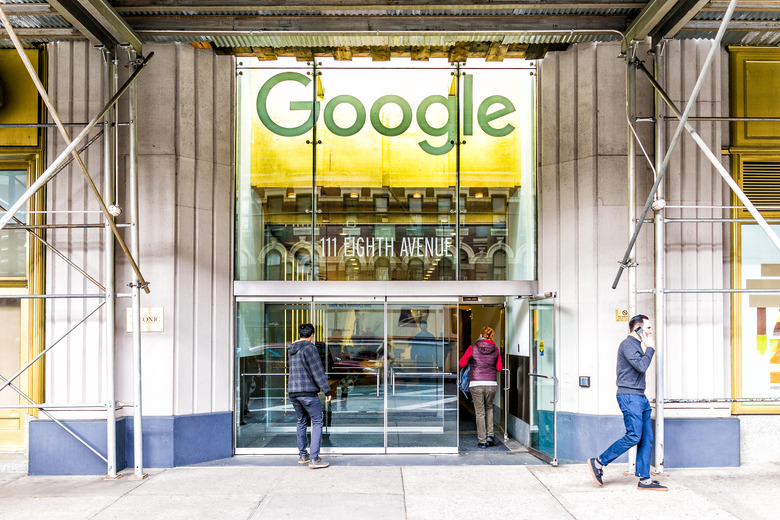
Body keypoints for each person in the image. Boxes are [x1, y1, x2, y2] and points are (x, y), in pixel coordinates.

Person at [588, 314, 668, 491]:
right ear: (637, 329)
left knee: (646, 438)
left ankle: (644, 480)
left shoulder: (636, 345)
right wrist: (651, 348)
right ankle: (599, 462)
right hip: (629, 397)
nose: (651, 331)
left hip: (640, 397)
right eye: (648, 328)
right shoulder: (627, 345)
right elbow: (641, 366)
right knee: (634, 436)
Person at [288, 323, 331, 469]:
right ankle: (314, 459)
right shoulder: (310, 348)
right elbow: (317, 371)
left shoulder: (291, 349)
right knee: (317, 422)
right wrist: (327, 391)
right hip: (307, 392)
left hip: (293, 392)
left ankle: (302, 455)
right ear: (312, 335)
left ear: (299, 334)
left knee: (301, 421)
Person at [459, 326, 502, 448]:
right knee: (489, 408)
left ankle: (482, 441)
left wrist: (472, 362)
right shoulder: (496, 349)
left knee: (480, 412)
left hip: (476, 383)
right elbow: (499, 368)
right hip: (491, 384)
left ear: (480, 334)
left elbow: (461, 363)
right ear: (491, 336)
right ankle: (490, 436)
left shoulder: (472, 347)